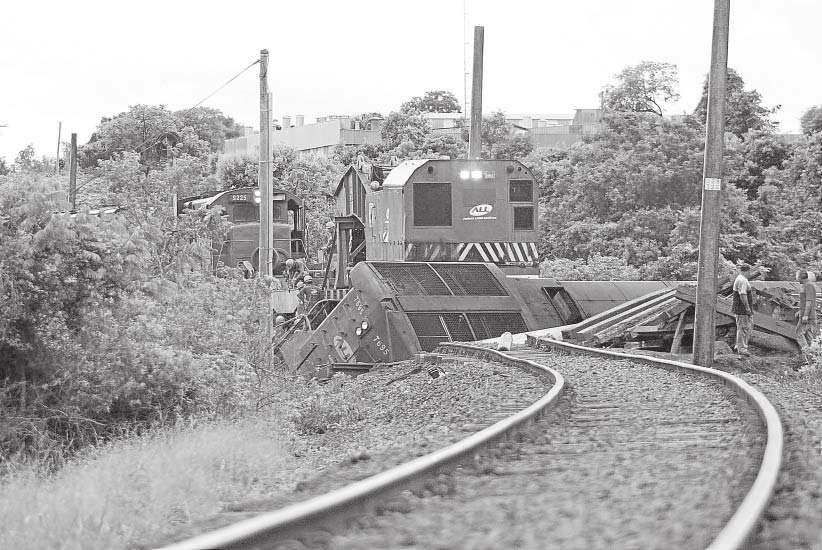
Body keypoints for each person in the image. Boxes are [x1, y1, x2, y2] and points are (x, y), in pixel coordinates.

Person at [732, 263, 754, 356]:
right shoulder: (742, 280)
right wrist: (747, 307)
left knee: (745, 327)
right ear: (747, 271)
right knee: (743, 328)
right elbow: (743, 294)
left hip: (741, 308)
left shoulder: (741, 279)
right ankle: (742, 348)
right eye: (749, 271)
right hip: (742, 308)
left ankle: (739, 346)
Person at [796, 269, 819, 349]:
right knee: (809, 335)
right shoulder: (805, 285)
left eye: (797, 276)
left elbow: (809, 302)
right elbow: (804, 301)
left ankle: (807, 352)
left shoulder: (809, 286)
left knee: (799, 333)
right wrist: (800, 311)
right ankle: (814, 353)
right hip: (806, 314)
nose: (796, 278)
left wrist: (805, 315)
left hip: (808, 316)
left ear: (800, 277)